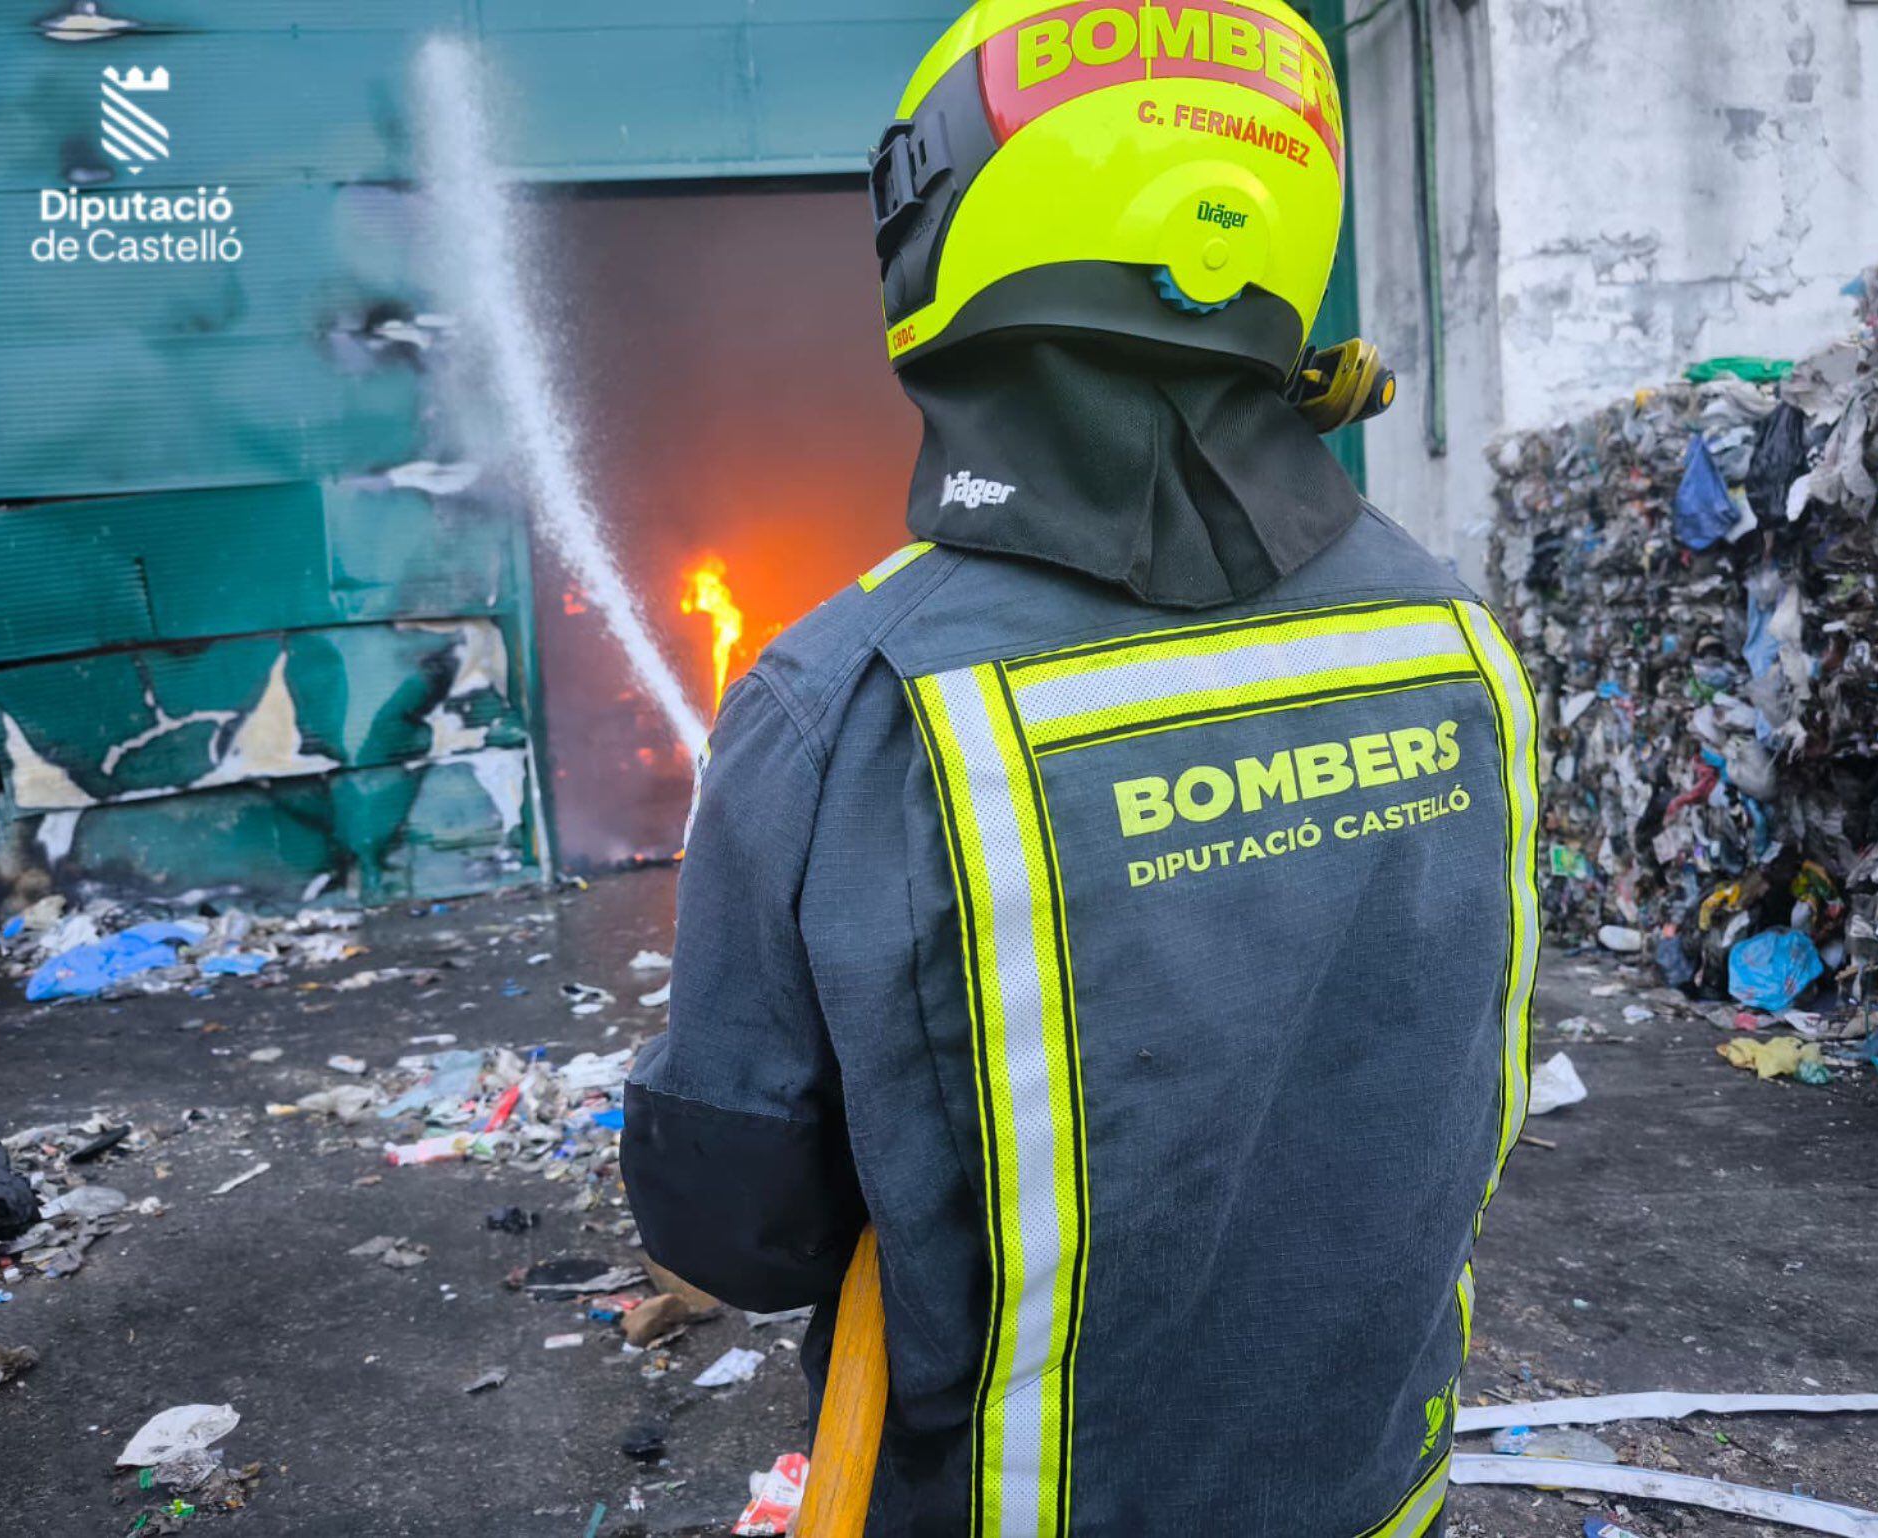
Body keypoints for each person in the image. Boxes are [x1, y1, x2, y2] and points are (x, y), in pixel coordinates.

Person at [618, 2, 1539, 1532]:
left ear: (942, 221)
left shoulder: (844, 702)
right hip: (1384, 1492)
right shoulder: (1460, 645)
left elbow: (738, 1231)